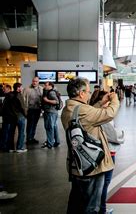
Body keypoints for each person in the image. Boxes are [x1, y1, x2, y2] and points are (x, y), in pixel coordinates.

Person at [61, 77, 119, 213]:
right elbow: (109, 113)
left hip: (78, 163)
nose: (89, 93)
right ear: (81, 93)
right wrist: (114, 99)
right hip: (92, 164)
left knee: (76, 203)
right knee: (92, 206)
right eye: (88, 91)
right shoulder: (83, 111)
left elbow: (86, 118)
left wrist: (99, 103)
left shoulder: (68, 109)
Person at [90, 91, 124, 214]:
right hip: (108, 152)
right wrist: (122, 134)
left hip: (96, 152)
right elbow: (114, 136)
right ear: (103, 101)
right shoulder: (103, 117)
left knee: (98, 183)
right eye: (107, 100)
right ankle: (101, 210)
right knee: (104, 183)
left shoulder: (91, 112)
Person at [4, 83, 27, 153]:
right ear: (18, 88)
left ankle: (10, 148)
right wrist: (26, 115)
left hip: (12, 117)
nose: (22, 88)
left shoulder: (9, 95)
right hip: (19, 116)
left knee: (11, 132)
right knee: (21, 132)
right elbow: (23, 107)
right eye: (21, 87)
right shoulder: (19, 95)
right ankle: (19, 147)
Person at [23, 77, 43, 144]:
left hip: (37, 109)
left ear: (38, 82)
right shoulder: (27, 89)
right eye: (33, 81)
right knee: (30, 124)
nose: (34, 82)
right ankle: (28, 138)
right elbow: (23, 99)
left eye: (36, 81)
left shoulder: (41, 89)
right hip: (30, 109)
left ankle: (32, 138)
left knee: (34, 124)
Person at [41, 82, 60, 149]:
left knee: (49, 128)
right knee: (54, 127)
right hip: (53, 112)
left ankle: (50, 144)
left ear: (50, 86)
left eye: (46, 85)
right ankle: (57, 141)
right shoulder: (51, 92)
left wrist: (47, 100)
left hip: (50, 112)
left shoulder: (51, 93)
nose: (44, 86)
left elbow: (56, 101)